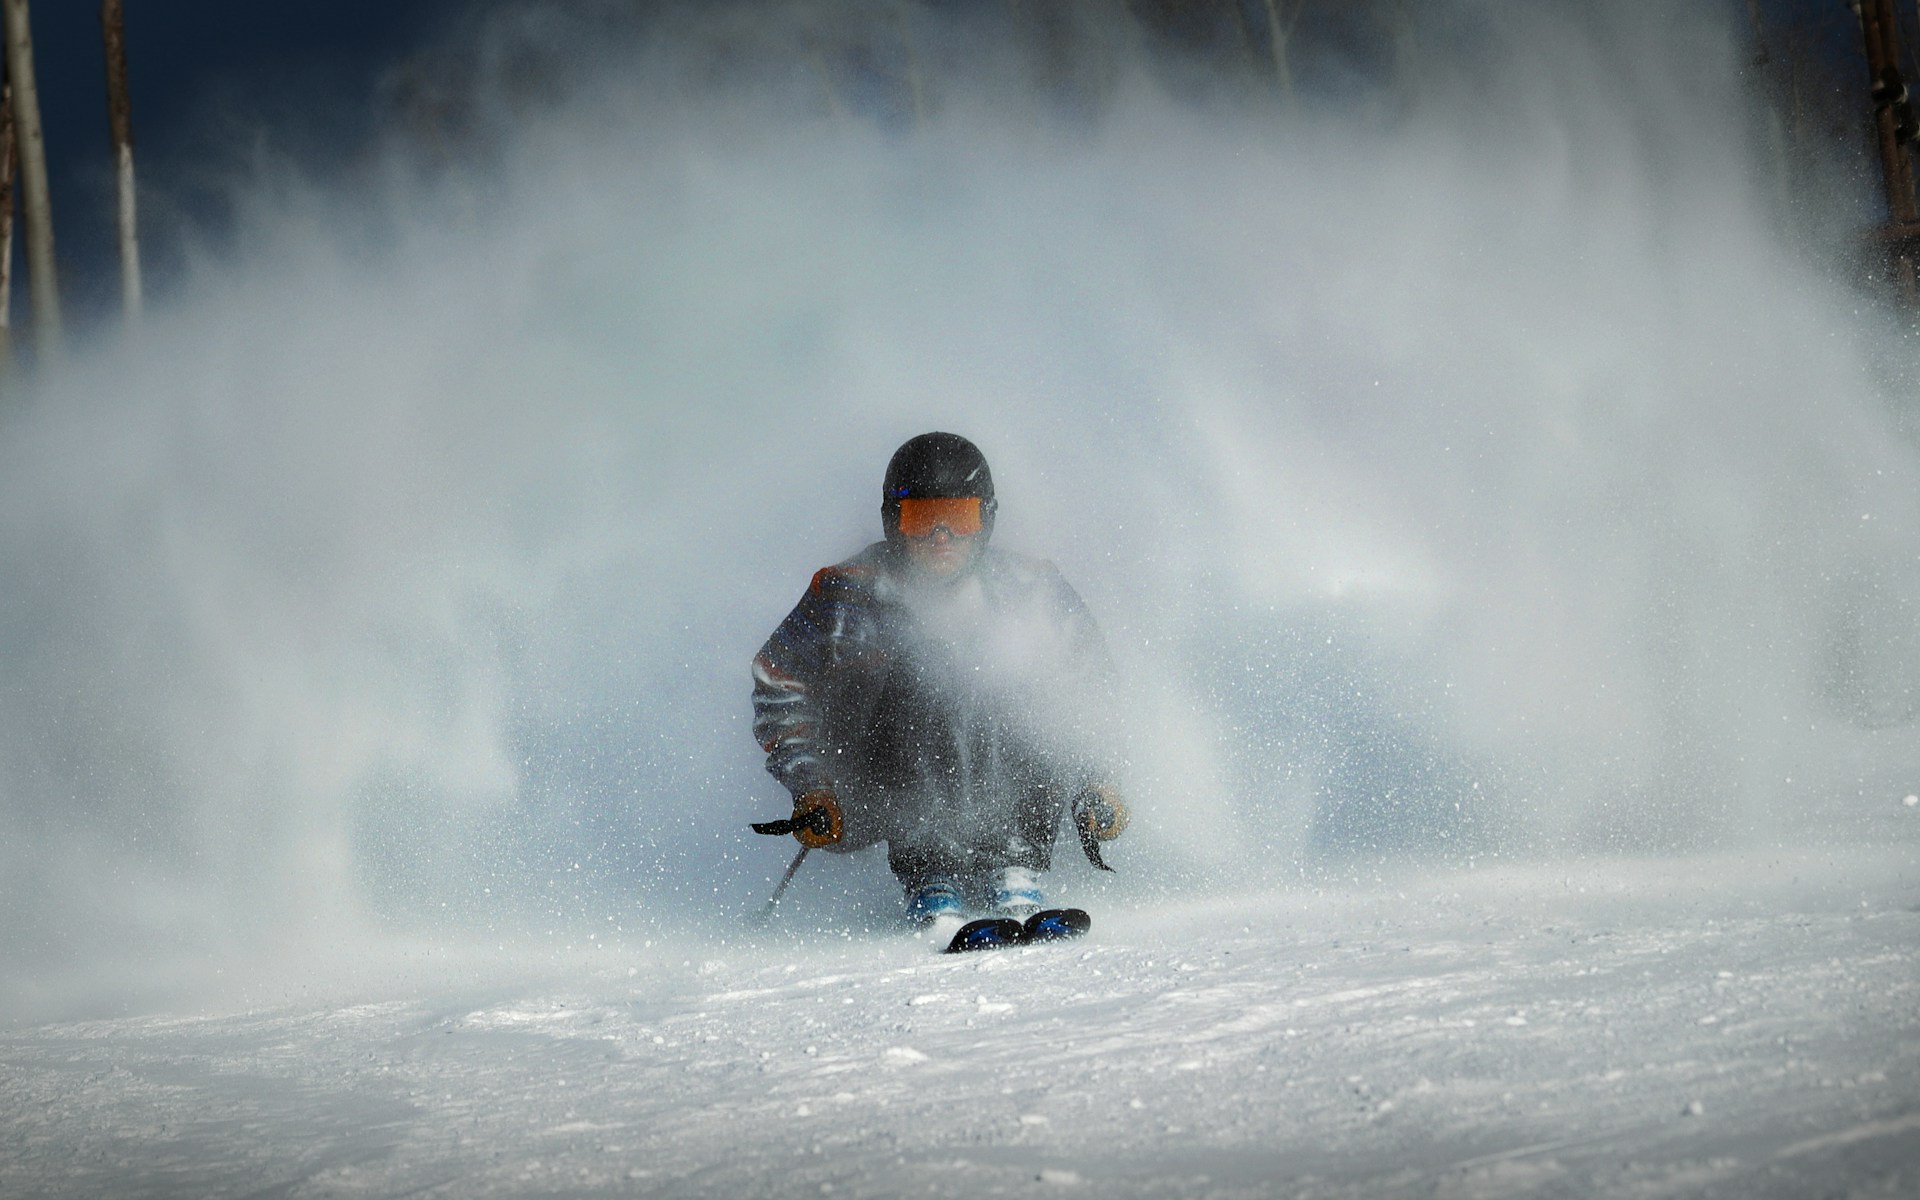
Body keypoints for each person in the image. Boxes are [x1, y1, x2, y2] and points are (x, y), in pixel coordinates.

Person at [751, 432, 1129, 933]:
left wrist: (1100, 776)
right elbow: (779, 682)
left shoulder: (1029, 588)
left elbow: (1087, 684)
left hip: (1004, 780)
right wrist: (810, 783)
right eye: (923, 519)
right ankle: (932, 877)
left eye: (961, 518)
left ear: (986, 520)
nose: (942, 537)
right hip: (881, 775)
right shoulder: (847, 594)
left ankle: (1017, 869)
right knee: (924, 662)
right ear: (894, 523)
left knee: (1010, 663)